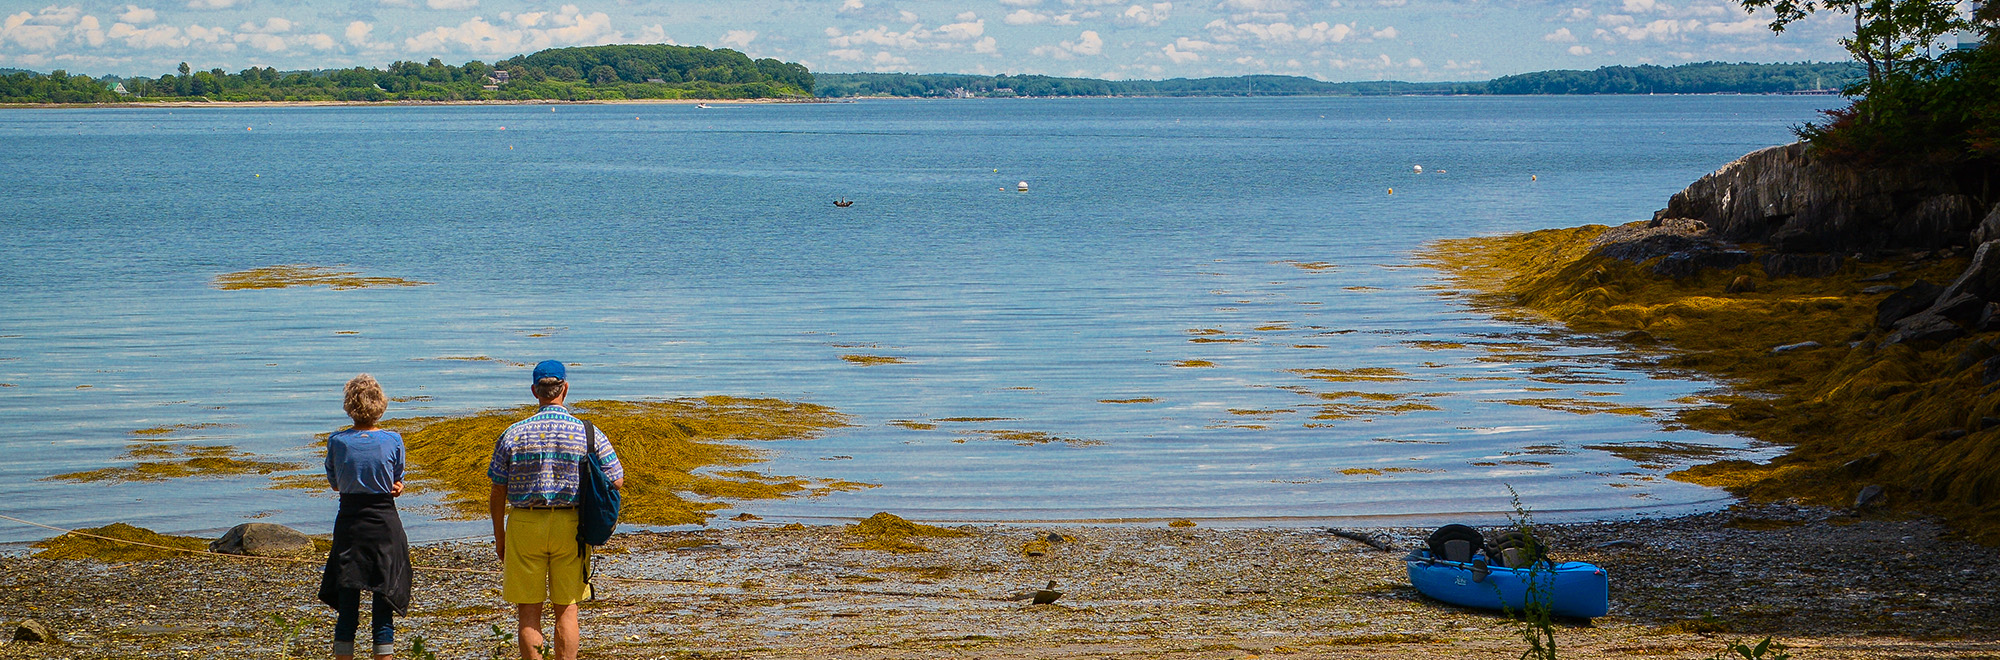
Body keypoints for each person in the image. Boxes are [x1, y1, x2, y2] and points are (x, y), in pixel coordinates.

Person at [489, 360, 623, 660]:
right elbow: (617, 478)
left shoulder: (514, 433)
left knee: (528, 611)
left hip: (524, 524)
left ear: (535, 391)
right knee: (567, 608)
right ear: (565, 388)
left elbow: (498, 488)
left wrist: (499, 534)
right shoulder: (586, 432)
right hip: (571, 525)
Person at [318, 374, 411, 660]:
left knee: (347, 610)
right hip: (383, 522)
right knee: (383, 608)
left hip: (350, 522)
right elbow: (396, 478)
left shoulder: (338, 442)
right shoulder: (393, 440)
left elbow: (335, 483)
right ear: (380, 406)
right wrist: (395, 487)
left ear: (349, 406)